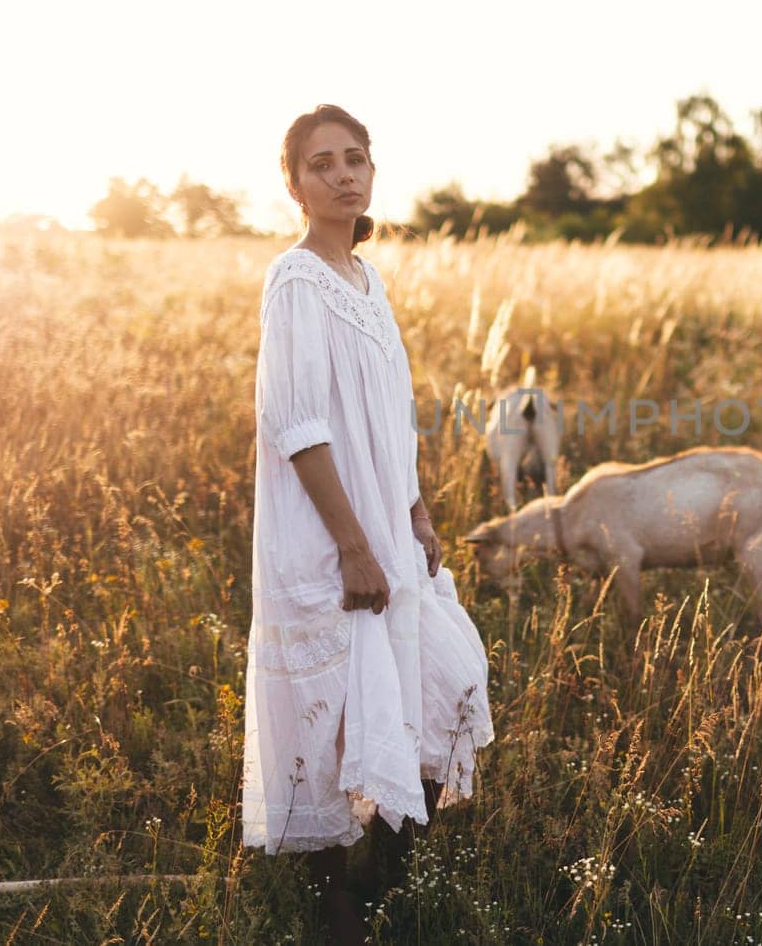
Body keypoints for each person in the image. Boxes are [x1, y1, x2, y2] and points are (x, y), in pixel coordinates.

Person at [241, 104, 493, 942]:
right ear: (294, 183)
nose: (343, 173)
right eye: (322, 163)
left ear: (372, 171)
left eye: (356, 158)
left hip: (384, 524)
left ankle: (387, 873)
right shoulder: (296, 278)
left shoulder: (366, 279)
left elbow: (390, 416)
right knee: (332, 699)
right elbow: (297, 423)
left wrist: (414, 508)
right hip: (325, 533)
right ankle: (330, 896)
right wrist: (351, 543)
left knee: (443, 676)